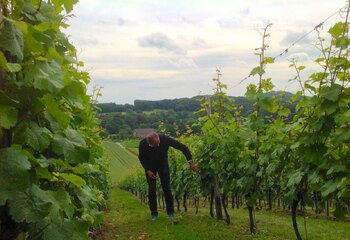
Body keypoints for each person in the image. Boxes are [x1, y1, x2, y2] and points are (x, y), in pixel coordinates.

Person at [138, 131, 198, 220]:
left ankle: (170, 212)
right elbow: (141, 158)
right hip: (150, 167)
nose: (158, 146)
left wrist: (190, 162)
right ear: (149, 143)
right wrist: (148, 170)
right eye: (155, 145)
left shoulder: (165, 139)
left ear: (158, 138)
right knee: (151, 189)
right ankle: (154, 214)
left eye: (159, 143)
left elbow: (183, 147)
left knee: (166, 188)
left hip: (163, 164)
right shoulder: (142, 144)